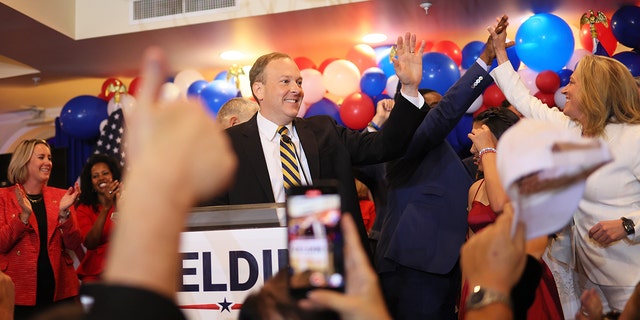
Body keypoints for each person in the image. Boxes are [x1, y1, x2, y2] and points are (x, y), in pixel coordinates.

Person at [203, 32, 429, 257]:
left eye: (299, 82)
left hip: (329, 262)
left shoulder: (325, 131)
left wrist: (409, 89)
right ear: (258, 90)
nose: (296, 89)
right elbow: (212, 215)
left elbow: (384, 145)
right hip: (259, 268)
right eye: (285, 81)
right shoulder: (229, 144)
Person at [489, 16, 640, 314]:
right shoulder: (571, 129)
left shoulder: (634, 138)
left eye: (572, 83)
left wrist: (628, 225)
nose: (565, 90)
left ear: (596, 91)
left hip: (632, 282)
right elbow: (524, 101)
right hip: (591, 278)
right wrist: (500, 51)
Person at [375, 16, 508, 320]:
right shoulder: (407, 141)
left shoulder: (450, 156)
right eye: (427, 110)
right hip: (415, 268)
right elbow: (447, 112)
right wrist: (485, 59)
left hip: (443, 268)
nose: (434, 116)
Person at [462, 108, 564, 319]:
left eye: (479, 140)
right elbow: (471, 244)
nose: (473, 149)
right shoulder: (475, 188)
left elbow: (500, 204)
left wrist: (487, 151)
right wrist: (464, 294)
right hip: (481, 281)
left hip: (520, 281)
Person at [0, 139, 82, 319]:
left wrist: (64, 215)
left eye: (50, 158)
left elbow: (74, 242)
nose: (48, 162)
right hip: (19, 292)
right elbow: (2, 244)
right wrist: (23, 217)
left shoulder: (61, 197)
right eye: (41, 157)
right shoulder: (3, 197)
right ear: (24, 161)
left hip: (59, 289)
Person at [75, 154, 123, 282]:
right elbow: (90, 243)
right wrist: (106, 208)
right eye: (95, 176)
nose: (101, 178)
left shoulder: (128, 200)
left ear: (114, 176)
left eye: (105, 173)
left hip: (126, 267)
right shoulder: (84, 209)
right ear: (90, 183)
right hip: (96, 273)